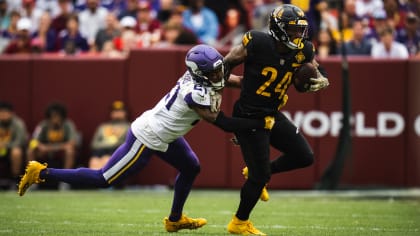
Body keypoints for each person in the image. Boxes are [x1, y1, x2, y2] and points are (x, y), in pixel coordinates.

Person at [17, 44, 276, 233]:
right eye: (214, 72)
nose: (219, 75)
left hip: (166, 131)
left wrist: (274, 84)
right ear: (199, 74)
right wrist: (258, 123)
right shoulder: (195, 92)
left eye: (219, 69)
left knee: (191, 166)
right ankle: (41, 173)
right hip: (149, 135)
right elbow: (222, 122)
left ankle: (175, 220)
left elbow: (235, 81)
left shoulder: (207, 74)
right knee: (103, 178)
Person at [222, 4, 329, 235]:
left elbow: (314, 70)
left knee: (304, 156)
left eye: (301, 30)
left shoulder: (304, 50)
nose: (298, 35)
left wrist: (319, 77)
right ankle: (239, 223)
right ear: (279, 29)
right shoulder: (257, 42)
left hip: (272, 113)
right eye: (293, 30)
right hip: (249, 115)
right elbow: (227, 63)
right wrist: (220, 85)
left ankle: (256, 172)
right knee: (261, 177)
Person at [88, 100, 130, 170]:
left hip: (116, 153)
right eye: (115, 111)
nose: (117, 113)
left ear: (125, 113)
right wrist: (109, 144)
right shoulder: (103, 127)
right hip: (99, 153)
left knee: (106, 160)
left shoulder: (129, 126)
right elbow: (94, 144)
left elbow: (127, 143)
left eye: (120, 111)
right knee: (94, 162)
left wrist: (110, 145)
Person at [0, 101, 28, 189]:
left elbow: (20, 141)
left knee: (16, 152)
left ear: (11, 114)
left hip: (12, 150)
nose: (3, 115)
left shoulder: (18, 124)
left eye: (6, 113)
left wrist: (6, 145)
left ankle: (15, 180)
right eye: (1, 112)